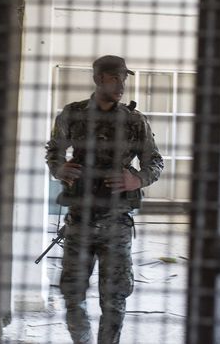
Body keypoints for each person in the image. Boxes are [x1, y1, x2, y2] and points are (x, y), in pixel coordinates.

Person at [45, 55, 164, 344]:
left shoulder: (135, 121)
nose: (122, 85)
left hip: (117, 223)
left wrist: (136, 179)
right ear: (98, 79)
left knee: (114, 299)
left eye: (125, 78)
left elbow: (155, 162)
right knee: (72, 294)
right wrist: (58, 168)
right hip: (79, 220)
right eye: (115, 78)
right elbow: (54, 150)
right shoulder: (72, 114)